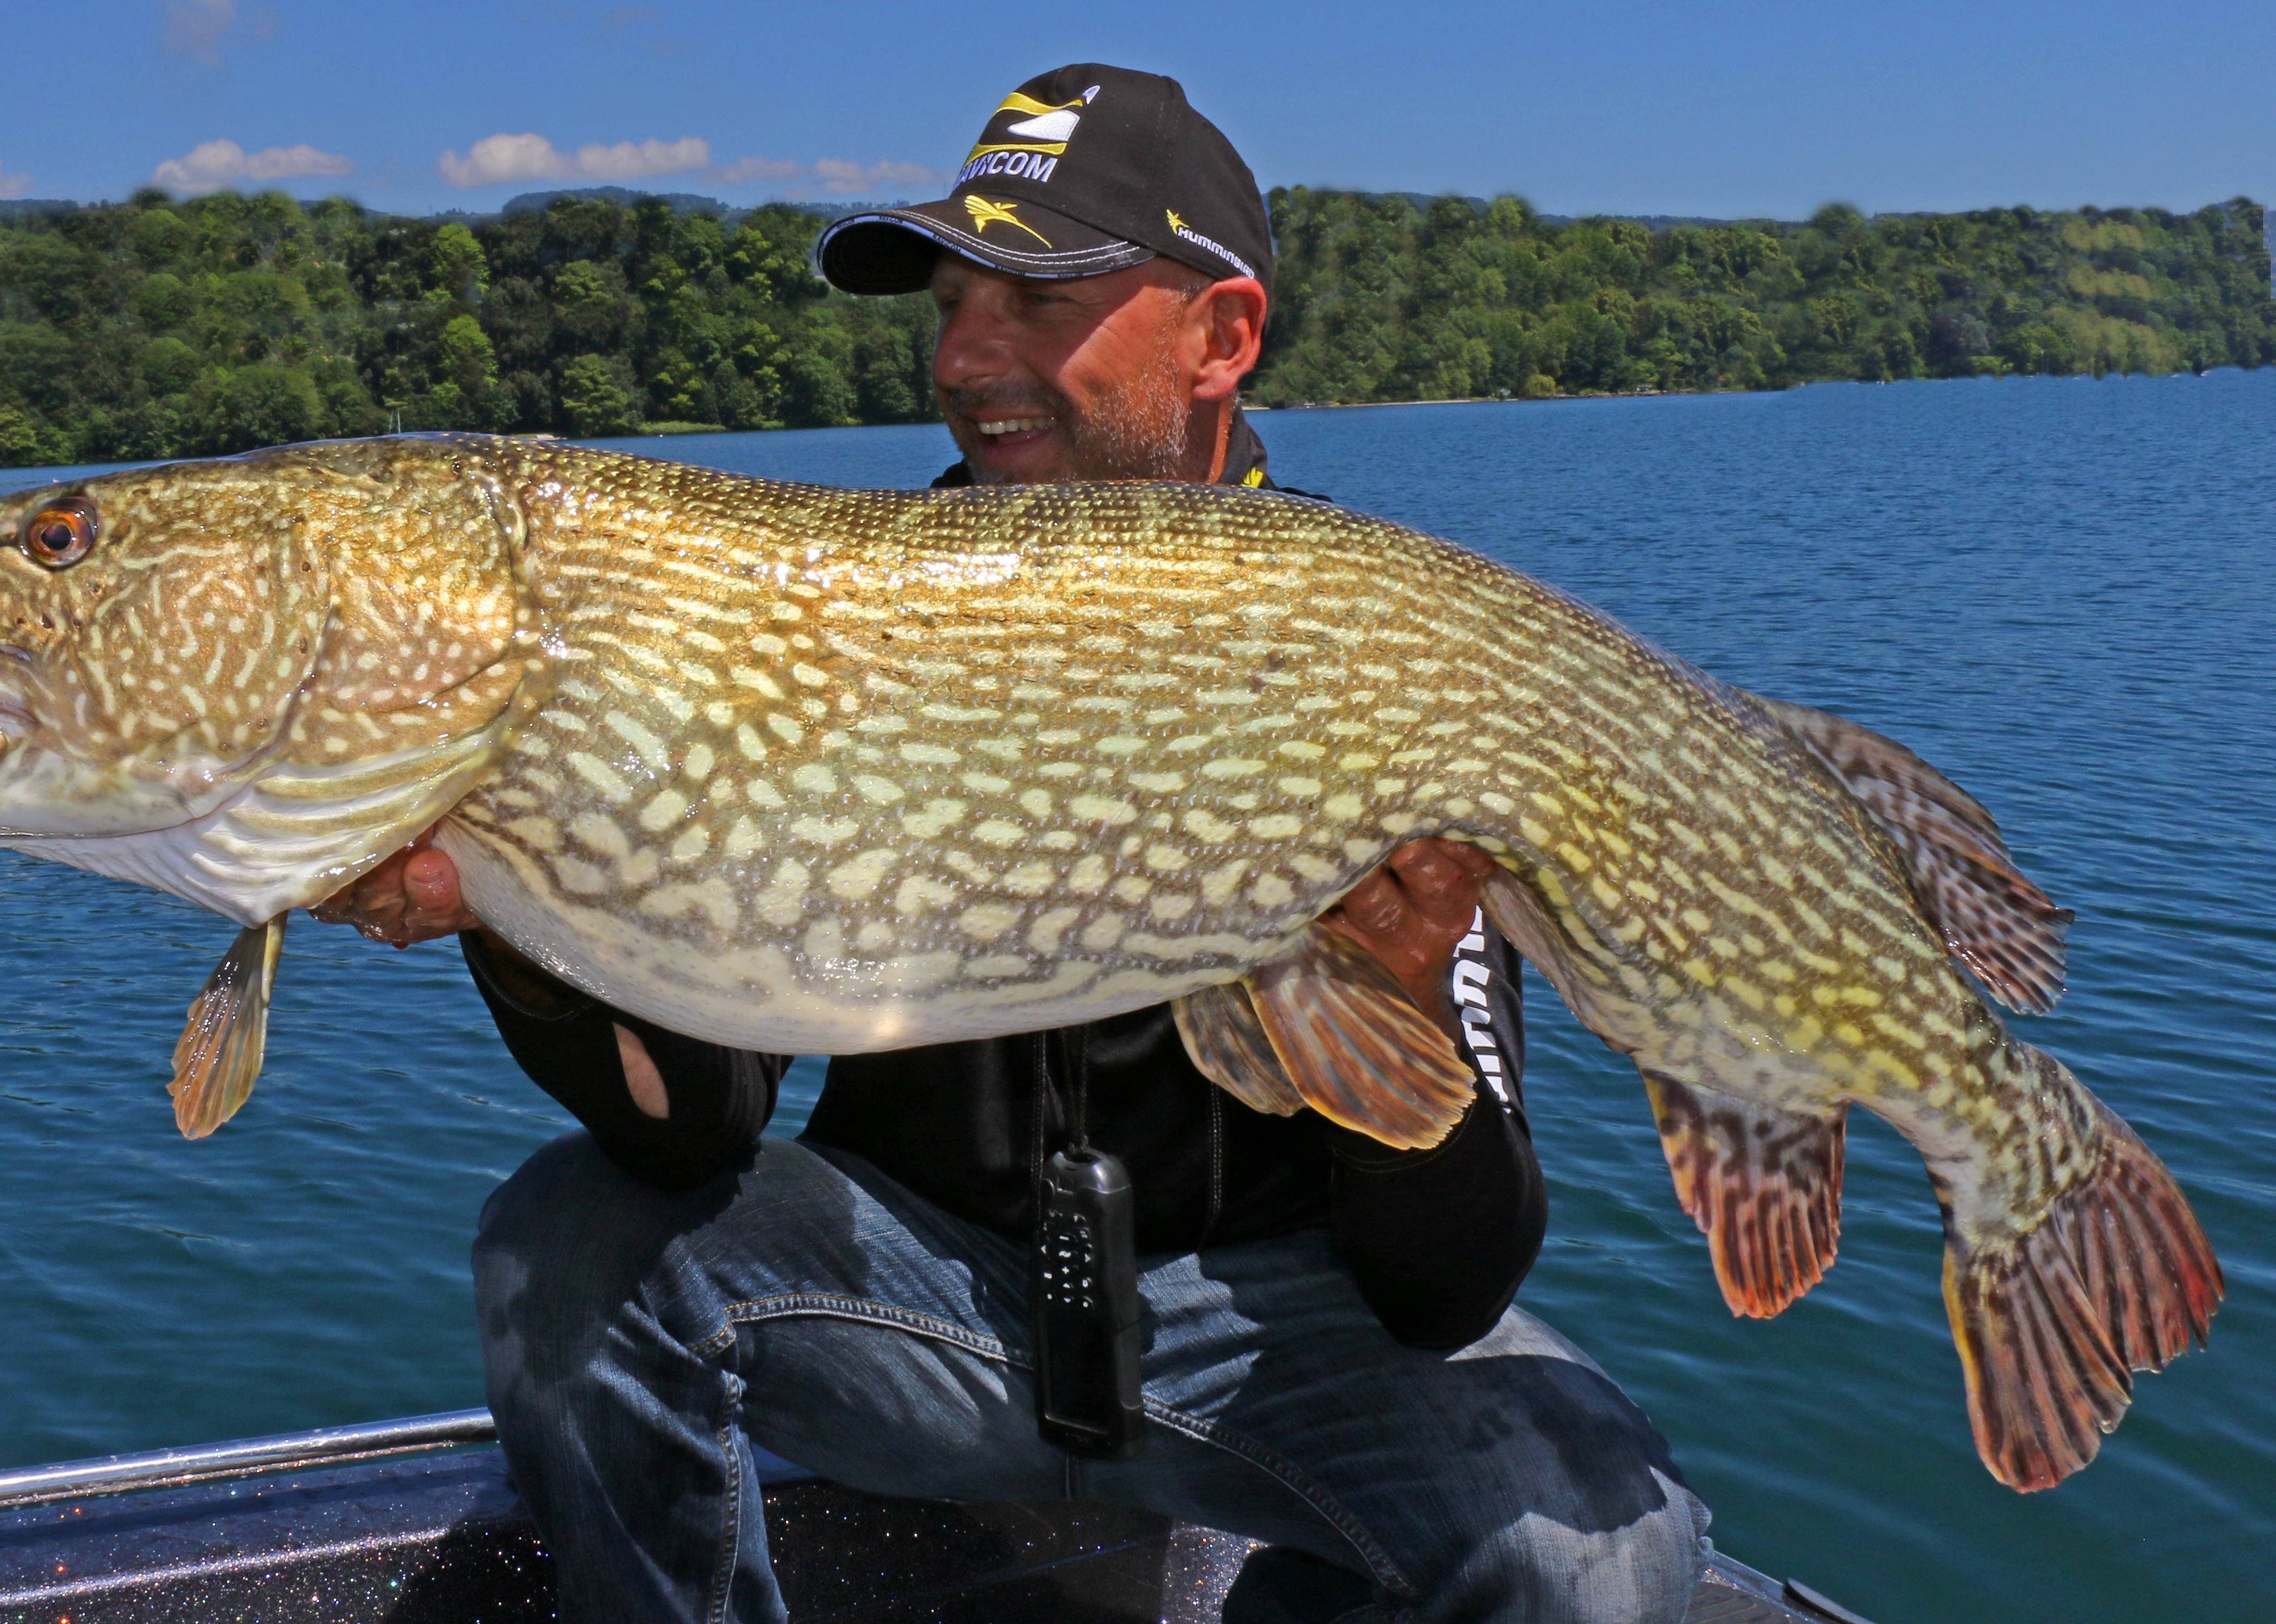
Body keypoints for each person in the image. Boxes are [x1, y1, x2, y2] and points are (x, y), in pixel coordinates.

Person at [314, 64, 1706, 1624]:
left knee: (1602, 1552)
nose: (967, 357)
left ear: (1221, 338)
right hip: (920, 1312)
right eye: (951, 306)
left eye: (1038, 305)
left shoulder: (1380, 645)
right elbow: (691, 1136)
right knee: (567, 1241)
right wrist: (517, 918)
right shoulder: (824, 628)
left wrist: (1394, 989)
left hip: (1283, 1346)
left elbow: (1446, 1287)